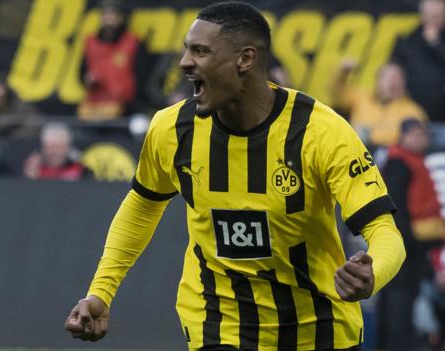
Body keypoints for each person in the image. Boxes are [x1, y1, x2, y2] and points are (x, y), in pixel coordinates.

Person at [64, 2, 405, 350]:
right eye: (186, 49)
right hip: (217, 324)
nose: (184, 62)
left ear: (245, 59)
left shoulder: (320, 133)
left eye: (200, 51)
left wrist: (372, 274)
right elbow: (142, 206)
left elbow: (384, 230)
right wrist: (100, 292)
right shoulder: (172, 129)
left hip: (318, 328)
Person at [378, 118, 444, 351]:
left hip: (414, 245)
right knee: (399, 303)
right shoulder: (399, 163)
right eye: (414, 134)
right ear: (403, 136)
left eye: (422, 134)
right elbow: (397, 210)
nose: (420, 138)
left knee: (402, 301)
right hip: (406, 246)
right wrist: (406, 244)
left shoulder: (414, 161)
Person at [77, 0, 149, 120]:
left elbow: (142, 76)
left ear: (121, 17)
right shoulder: (91, 42)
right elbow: (82, 73)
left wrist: (136, 105)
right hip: (95, 107)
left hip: (125, 107)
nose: (109, 19)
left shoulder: (133, 42)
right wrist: (88, 79)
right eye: (105, 14)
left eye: (113, 15)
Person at [331, 59, 427, 146]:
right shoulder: (361, 97)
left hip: (389, 156)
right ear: (378, 80)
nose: (393, 83)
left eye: (398, 79)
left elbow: (420, 139)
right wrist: (343, 73)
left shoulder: (412, 111)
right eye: (389, 78)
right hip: (357, 150)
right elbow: (336, 95)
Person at [392, 0, 445, 122]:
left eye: (437, 16)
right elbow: (398, 68)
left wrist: (436, 45)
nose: (433, 21)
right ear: (422, 15)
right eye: (430, 15)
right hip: (413, 111)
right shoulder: (409, 40)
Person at [23, 122, 89, 181]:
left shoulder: (80, 170)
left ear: (67, 148)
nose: (53, 152)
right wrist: (30, 179)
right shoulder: (34, 168)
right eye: (49, 147)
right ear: (42, 148)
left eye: (58, 147)